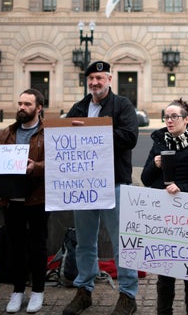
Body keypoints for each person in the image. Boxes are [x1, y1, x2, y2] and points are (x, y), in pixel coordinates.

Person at [63, 61, 139, 315]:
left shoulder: (122, 105)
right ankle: (84, 290)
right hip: (84, 184)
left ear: (109, 79)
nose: (95, 82)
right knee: (85, 243)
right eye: (91, 78)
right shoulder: (80, 107)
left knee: (122, 243)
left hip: (114, 182)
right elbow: (62, 139)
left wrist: (94, 130)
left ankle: (128, 295)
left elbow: (130, 138)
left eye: (99, 77)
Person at [141, 98, 188, 315]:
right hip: (164, 219)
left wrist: (180, 188)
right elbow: (146, 179)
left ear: (186, 119)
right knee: (165, 275)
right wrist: (155, 166)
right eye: (167, 116)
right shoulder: (158, 144)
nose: (169, 120)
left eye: (174, 116)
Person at [0, 89, 47, 314]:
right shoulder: (7, 132)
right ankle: (17, 291)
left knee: (37, 246)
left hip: (39, 198)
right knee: (16, 247)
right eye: (20, 103)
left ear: (38, 108)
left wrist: (36, 167)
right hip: (13, 199)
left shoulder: (48, 133)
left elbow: (57, 162)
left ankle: (38, 290)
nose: (22, 107)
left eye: (27, 104)